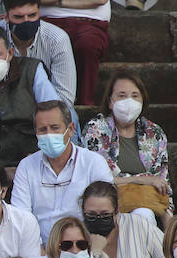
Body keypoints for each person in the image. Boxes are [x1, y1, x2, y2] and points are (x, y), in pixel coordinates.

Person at [12, 101, 114, 240]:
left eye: (55, 128)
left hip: (83, 247)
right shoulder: (26, 166)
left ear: (71, 129)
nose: (49, 134)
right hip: (38, 250)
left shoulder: (93, 163)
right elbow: (21, 217)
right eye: (42, 129)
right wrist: (38, 250)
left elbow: (105, 213)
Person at [0, 26, 64, 167]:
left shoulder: (31, 70)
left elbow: (53, 111)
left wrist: (41, 155)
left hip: (33, 154)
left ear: (10, 53)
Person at [82, 70, 172, 222]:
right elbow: (100, 178)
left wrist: (169, 223)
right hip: (107, 204)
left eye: (135, 96)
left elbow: (162, 182)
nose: (129, 101)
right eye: (121, 95)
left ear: (142, 100)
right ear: (110, 102)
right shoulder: (96, 129)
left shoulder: (154, 132)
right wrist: (143, 180)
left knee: (144, 214)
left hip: (147, 205)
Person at [81, 181, 162, 258]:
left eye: (105, 215)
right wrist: (95, 254)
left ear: (117, 211)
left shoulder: (138, 224)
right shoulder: (77, 239)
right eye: (91, 215)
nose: (98, 219)